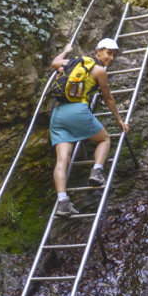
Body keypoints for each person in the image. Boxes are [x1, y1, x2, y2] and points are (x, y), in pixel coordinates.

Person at [49, 37, 130, 218]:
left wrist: (66, 50)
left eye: (114, 55)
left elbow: (55, 63)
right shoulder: (99, 70)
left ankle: (62, 201)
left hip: (57, 113)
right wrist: (119, 120)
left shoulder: (76, 62)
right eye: (109, 53)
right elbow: (108, 98)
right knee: (105, 139)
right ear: (98, 51)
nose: (111, 58)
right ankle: (97, 171)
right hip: (77, 110)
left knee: (62, 160)